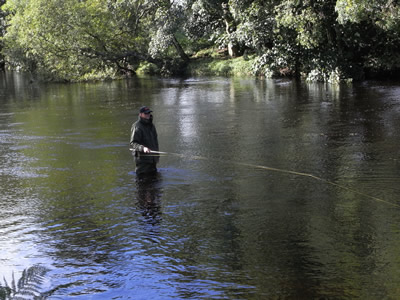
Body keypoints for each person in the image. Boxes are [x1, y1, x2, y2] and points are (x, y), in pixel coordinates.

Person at [130, 106, 159, 176]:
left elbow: (155, 142)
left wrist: (157, 157)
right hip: (143, 163)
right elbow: (133, 143)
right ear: (140, 114)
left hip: (153, 161)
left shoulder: (151, 126)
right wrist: (143, 148)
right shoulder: (137, 126)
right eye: (145, 113)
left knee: (155, 184)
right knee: (143, 184)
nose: (148, 114)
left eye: (149, 113)